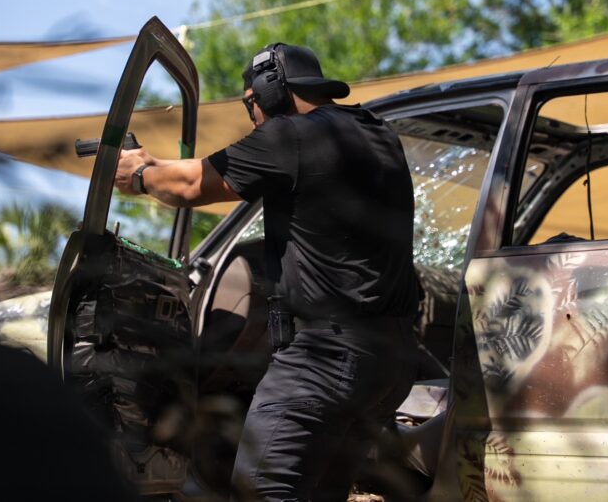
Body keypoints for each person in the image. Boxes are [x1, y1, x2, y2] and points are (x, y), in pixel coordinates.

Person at [114, 42, 420, 501]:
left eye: (250, 103)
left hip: (322, 360)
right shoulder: (376, 131)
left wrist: (138, 178)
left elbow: (192, 185)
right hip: (389, 361)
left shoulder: (289, 136)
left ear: (271, 90)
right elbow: (200, 169)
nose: (252, 117)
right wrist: (152, 163)